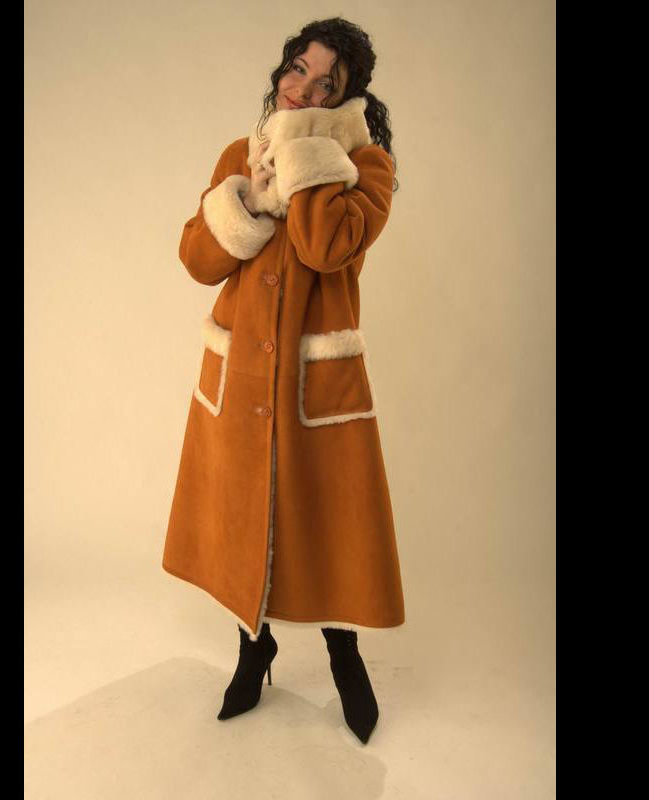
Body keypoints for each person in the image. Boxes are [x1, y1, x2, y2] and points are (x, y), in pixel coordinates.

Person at [162, 17, 404, 745]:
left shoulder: (367, 167)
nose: (303, 88)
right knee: (243, 516)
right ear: (281, 70)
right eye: (298, 68)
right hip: (239, 378)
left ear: (348, 97)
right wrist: (247, 199)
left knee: (327, 519)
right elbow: (198, 259)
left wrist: (302, 157)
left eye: (327, 82)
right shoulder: (240, 156)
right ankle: (253, 648)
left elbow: (326, 247)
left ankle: (344, 656)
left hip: (314, 389)